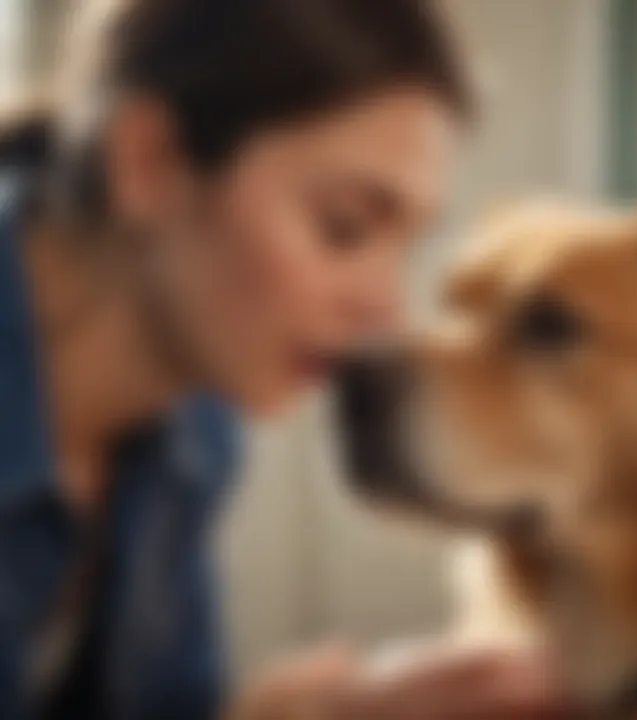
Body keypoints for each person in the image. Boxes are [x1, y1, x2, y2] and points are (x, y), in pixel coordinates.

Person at [0, 0, 566, 717]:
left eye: (406, 246)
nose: (386, 313)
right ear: (146, 160)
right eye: (345, 228)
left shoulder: (196, 431)